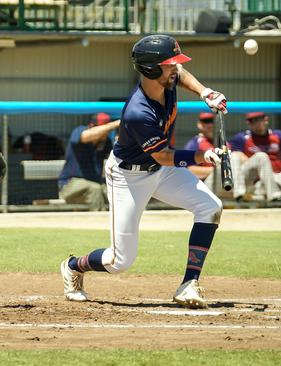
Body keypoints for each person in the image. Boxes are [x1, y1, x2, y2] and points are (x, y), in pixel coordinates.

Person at [60, 35, 228, 309]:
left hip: (162, 171)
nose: (175, 69)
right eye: (168, 65)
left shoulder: (168, 79)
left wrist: (205, 92)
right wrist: (202, 155)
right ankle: (73, 266)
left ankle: (189, 283)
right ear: (150, 69)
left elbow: (183, 72)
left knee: (211, 207)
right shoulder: (138, 112)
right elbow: (163, 155)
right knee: (119, 261)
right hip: (129, 177)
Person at [57, 113, 120, 211]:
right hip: (69, 184)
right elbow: (84, 137)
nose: (106, 132)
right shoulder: (80, 131)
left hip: (94, 184)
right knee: (95, 189)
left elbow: (117, 156)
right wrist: (113, 125)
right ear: (92, 126)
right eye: (103, 129)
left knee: (112, 191)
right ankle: (98, 220)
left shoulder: (105, 142)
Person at [228, 112, 281, 202]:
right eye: (254, 121)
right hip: (253, 177)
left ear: (266, 120)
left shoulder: (278, 135)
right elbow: (235, 157)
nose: (258, 123)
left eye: (260, 119)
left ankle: (262, 196)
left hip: (275, 175)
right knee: (261, 156)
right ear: (249, 123)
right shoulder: (242, 137)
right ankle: (273, 196)